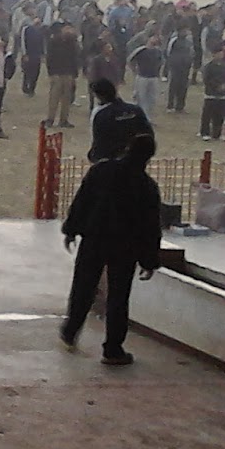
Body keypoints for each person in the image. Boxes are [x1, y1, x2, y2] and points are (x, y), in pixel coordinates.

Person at [59, 77, 160, 366]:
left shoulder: (101, 172)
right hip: (125, 248)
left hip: (94, 238)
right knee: (118, 296)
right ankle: (113, 349)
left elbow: (82, 202)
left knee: (83, 285)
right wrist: (149, 260)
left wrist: (71, 230)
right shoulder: (147, 187)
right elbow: (150, 227)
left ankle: (70, 330)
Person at [201, 44, 225, 141]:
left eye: (221, 53)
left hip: (222, 95)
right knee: (207, 115)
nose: (221, 55)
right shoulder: (209, 66)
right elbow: (206, 80)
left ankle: (217, 134)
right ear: (214, 54)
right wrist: (216, 86)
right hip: (211, 94)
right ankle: (205, 132)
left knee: (219, 115)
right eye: (218, 53)